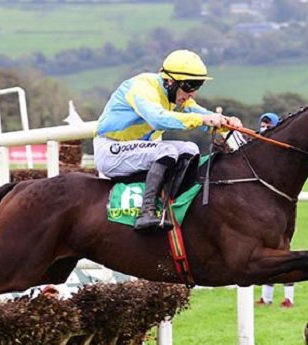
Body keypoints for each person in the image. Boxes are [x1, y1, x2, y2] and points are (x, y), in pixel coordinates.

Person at [93, 49, 243, 232]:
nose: (192, 94)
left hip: (139, 151)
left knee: (190, 149)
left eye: (197, 86)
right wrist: (203, 119)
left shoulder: (175, 95)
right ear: (170, 81)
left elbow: (200, 113)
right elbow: (158, 119)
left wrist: (226, 122)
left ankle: (173, 203)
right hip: (110, 151)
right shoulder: (141, 87)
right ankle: (146, 213)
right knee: (167, 151)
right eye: (189, 86)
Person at [255, 112, 295, 308]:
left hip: (279, 205)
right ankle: (266, 298)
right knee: (266, 252)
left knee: (283, 250)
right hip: (260, 203)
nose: (264, 127)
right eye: (263, 124)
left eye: (268, 125)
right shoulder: (255, 143)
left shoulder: (282, 149)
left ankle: (289, 298)